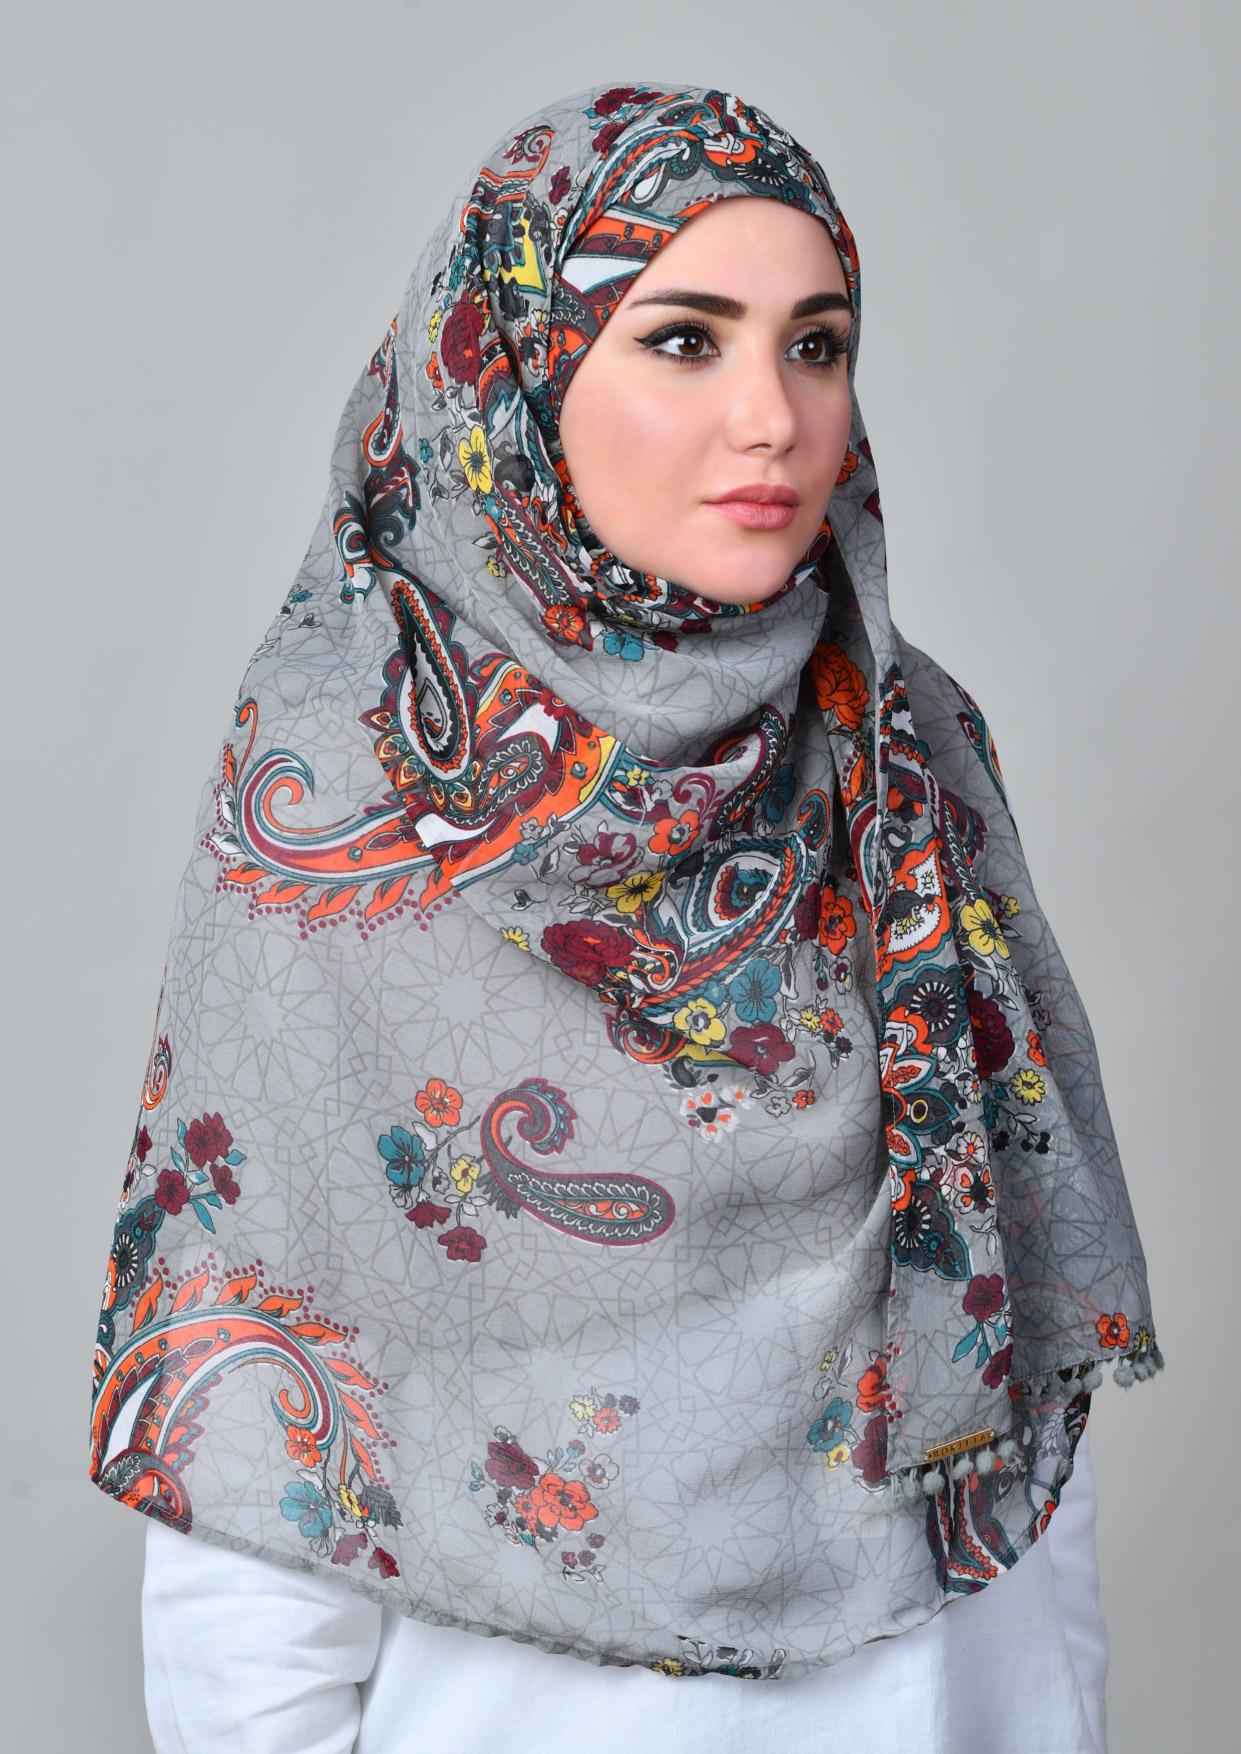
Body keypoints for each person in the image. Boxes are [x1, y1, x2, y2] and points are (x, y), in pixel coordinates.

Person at [91, 84, 1159, 1753]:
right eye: (681, 340)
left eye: (815, 345)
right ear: (514, 371)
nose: (772, 417)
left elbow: (1010, 1388)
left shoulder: (907, 750)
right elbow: (255, 1456)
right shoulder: (346, 797)